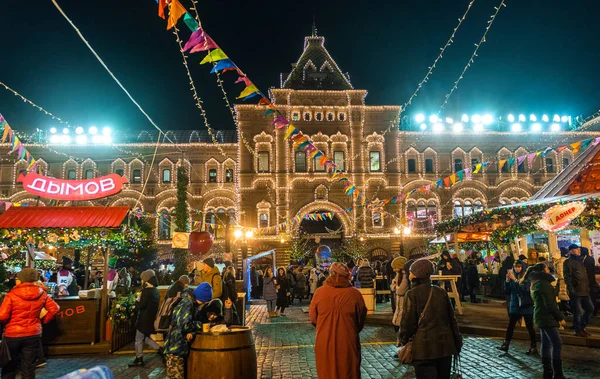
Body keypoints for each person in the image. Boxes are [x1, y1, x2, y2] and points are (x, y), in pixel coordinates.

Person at [400, 259, 462, 379]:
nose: (409, 274)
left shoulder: (412, 294)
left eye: (411, 271)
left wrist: (403, 339)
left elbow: (408, 323)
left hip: (424, 350)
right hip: (445, 348)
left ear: (417, 274)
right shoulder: (441, 292)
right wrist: (457, 341)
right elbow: (451, 320)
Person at [309, 262, 367, 379]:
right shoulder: (354, 294)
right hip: (348, 340)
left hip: (324, 340)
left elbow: (313, 318)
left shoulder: (320, 292)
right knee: (348, 371)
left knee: (327, 371)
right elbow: (361, 319)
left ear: (331, 274)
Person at [0, 268, 60, 379]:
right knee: (28, 366)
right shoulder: (42, 294)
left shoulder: (11, 295)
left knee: (9, 365)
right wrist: (43, 320)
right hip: (33, 333)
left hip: (13, 334)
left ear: (21, 279)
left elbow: (2, 315)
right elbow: (55, 308)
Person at [525, 263, 566, 379]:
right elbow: (550, 304)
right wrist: (560, 317)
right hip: (546, 317)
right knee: (557, 343)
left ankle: (547, 372)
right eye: (547, 269)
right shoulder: (543, 284)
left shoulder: (535, 283)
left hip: (540, 315)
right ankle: (558, 374)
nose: (549, 270)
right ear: (543, 271)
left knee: (546, 344)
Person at [497, 260, 537, 354]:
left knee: (529, 327)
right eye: (515, 267)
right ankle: (506, 344)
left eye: (519, 267)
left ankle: (533, 346)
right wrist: (507, 281)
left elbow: (525, 289)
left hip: (526, 305)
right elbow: (507, 291)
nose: (517, 269)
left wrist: (515, 279)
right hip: (515, 304)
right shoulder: (512, 276)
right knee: (511, 325)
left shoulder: (527, 277)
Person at [129, 270, 161, 367]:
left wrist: (136, 301)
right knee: (145, 338)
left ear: (146, 280)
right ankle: (161, 349)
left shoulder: (146, 291)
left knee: (138, 339)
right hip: (150, 318)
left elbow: (141, 305)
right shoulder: (155, 291)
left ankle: (139, 358)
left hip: (143, 319)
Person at [563, 244, 594, 337]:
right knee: (578, 312)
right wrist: (571, 289)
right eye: (576, 249)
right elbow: (567, 277)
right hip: (576, 290)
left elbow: (584, 275)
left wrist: (587, 286)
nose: (578, 250)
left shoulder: (580, 261)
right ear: (571, 251)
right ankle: (578, 329)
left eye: (578, 249)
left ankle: (582, 326)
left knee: (590, 308)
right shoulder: (568, 262)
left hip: (584, 289)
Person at [390, 256, 408, 347]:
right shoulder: (398, 275)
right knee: (397, 324)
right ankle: (400, 343)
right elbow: (392, 287)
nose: (394, 269)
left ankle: (402, 344)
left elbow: (400, 290)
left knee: (401, 325)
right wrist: (395, 286)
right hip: (398, 303)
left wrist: (396, 287)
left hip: (403, 303)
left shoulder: (405, 276)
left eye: (395, 267)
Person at [581, 247, 599, 315]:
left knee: (590, 297)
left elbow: (589, 272)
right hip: (591, 282)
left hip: (589, 282)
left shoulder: (586, 260)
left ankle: (591, 311)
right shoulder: (590, 259)